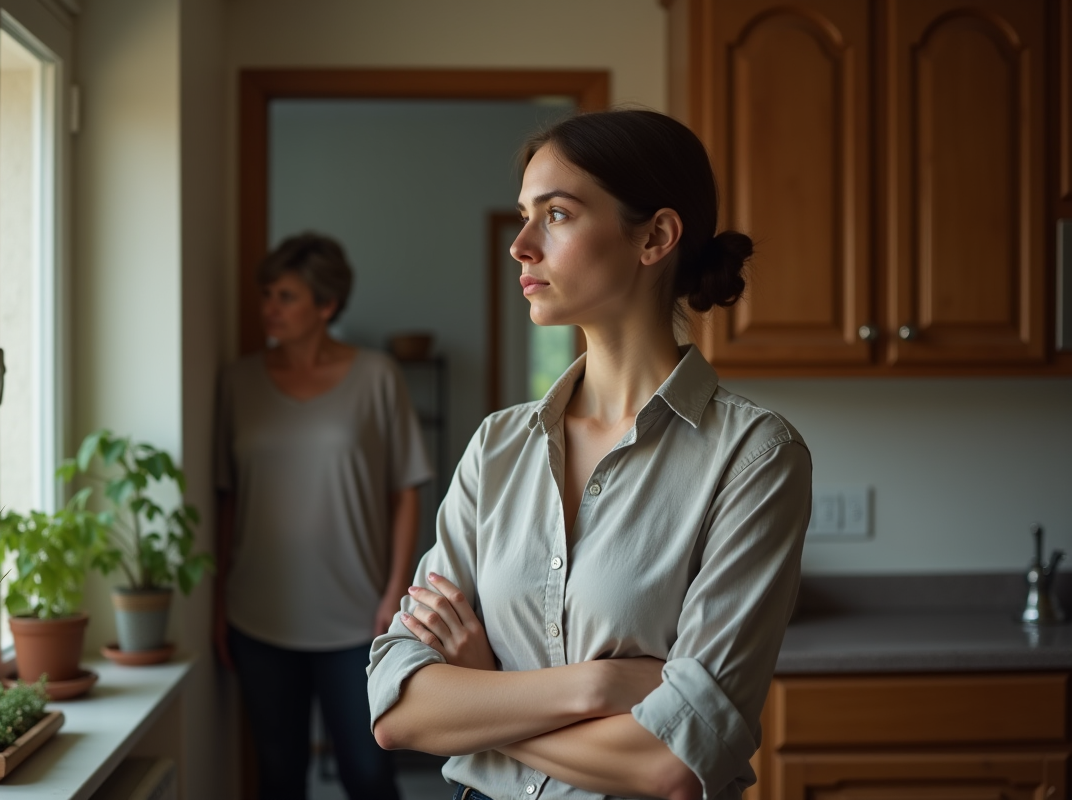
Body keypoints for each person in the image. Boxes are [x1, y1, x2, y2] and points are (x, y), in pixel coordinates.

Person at [366, 110, 813, 800]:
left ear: (655, 237)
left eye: (558, 215)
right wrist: (599, 685)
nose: (520, 245)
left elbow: (672, 763)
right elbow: (395, 706)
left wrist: (480, 699)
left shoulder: (755, 457)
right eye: (524, 214)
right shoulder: (497, 447)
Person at [214, 232, 431, 800]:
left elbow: (405, 489)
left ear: (326, 305)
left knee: (368, 772)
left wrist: (393, 595)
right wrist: (217, 601)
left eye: (285, 296)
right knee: (279, 774)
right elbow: (228, 499)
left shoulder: (377, 376)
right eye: (267, 294)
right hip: (259, 615)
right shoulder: (237, 383)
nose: (268, 308)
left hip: (357, 618)